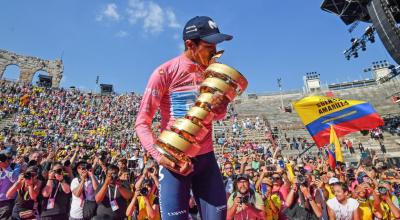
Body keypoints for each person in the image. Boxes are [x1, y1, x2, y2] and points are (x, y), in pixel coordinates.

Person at [135, 15, 233, 220]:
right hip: (174, 161)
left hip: (207, 159)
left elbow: (216, 116)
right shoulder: (164, 72)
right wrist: (162, 157)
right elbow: (141, 123)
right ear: (190, 44)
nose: (215, 52)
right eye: (209, 46)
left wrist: (221, 107)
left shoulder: (212, 72)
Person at [0, 150, 21, 219]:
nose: (7, 160)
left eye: (8, 158)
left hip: (6, 202)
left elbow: (15, 179)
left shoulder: (15, 166)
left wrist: (5, 168)